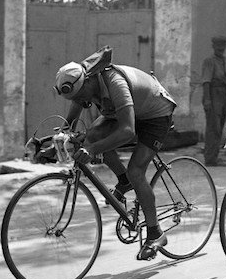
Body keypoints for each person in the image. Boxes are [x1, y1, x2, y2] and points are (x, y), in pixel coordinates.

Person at [54, 61, 176, 260]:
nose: (81, 101)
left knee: (136, 171)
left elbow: (127, 131)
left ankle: (155, 233)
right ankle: (123, 180)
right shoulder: (84, 83)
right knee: (91, 136)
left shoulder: (115, 84)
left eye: (79, 96)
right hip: (129, 111)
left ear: (86, 83)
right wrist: (62, 134)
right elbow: (73, 115)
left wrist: (92, 150)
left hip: (155, 115)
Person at [201, 35, 226, 166]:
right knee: (213, 128)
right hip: (213, 95)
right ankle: (210, 159)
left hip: (222, 97)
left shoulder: (225, 63)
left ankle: (214, 156)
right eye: (218, 46)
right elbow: (206, 82)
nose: (220, 49)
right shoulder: (209, 61)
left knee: (219, 127)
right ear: (213, 47)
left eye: (222, 46)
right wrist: (207, 100)